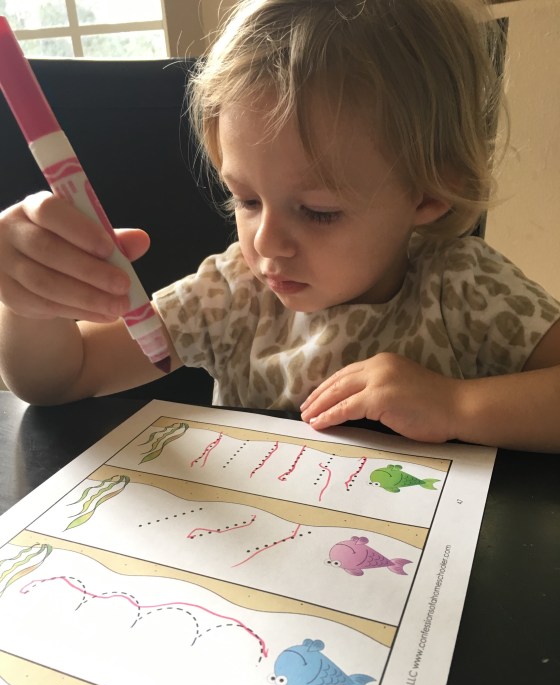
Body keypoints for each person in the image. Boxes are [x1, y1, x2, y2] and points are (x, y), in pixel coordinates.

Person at [0, 0, 559, 452]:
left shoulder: (463, 289)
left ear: (430, 192)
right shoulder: (232, 293)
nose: (265, 243)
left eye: (319, 211)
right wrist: (30, 301)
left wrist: (456, 405)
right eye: (246, 199)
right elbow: (63, 378)